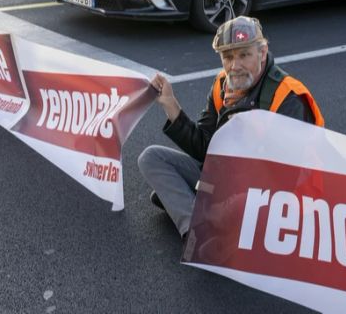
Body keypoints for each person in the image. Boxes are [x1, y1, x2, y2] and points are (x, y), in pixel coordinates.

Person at [137, 16, 324, 239]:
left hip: (275, 192)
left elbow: (286, 177)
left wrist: (243, 118)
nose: (234, 66)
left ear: (262, 53)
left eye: (244, 55)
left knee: (235, 206)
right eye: (227, 57)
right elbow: (204, 148)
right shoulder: (222, 84)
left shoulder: (287, 96)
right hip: (228, 176)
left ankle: (195, 207)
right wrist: (171, 105)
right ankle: (195, 229)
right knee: (151, 158)